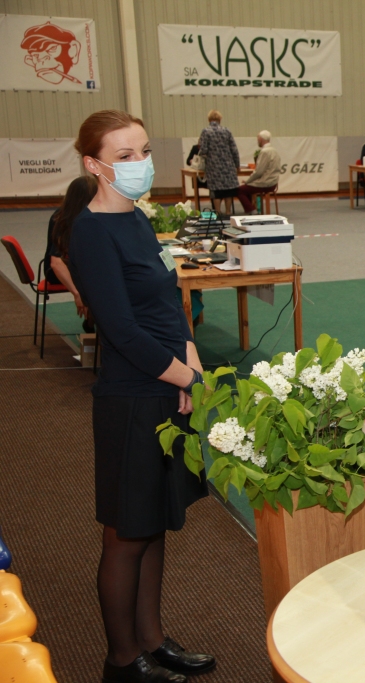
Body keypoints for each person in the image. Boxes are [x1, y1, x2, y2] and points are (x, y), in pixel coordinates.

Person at [69, 110, 216, 683]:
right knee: (127, 532)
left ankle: (154, 641)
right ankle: (122, 661)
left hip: (167, 384)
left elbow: (167, 303)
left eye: (144, 151)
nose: (140, 164)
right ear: (94, 165)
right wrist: (186, 380)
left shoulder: (136, 217)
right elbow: (122, 329)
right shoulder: (90, 230)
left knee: (154, 521)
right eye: (125, 156)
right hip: (133, 395)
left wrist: (190, 362)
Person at [44, 175, 97, 331]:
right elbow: (56, 263)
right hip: (58, 270)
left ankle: (93, 321)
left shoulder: (91, 217)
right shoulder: (60, 218)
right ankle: (92, 322)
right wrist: (77, 293)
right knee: (95, 282)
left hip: (79, 266)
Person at [198, 110, 239, 216]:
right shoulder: (227, 131)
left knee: (216, 192)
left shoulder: (206, 131)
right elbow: (234, 149)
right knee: (228, 191)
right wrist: (237, 165)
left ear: (209, 119)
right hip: (228, 165)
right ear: (220, 119)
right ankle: (228, 212)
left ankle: (218, 212)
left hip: (213, 167)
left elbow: (203, 150)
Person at [237, 130, 282, 215]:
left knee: (240, 190)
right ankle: (251, 209)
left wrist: (248, 181)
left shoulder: (265, 152)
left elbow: (258, 172)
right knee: (247, 188)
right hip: (273, 182)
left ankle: (251, 210)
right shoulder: (274, 150)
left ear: (260, 139)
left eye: (258, 139)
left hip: (266, 183)